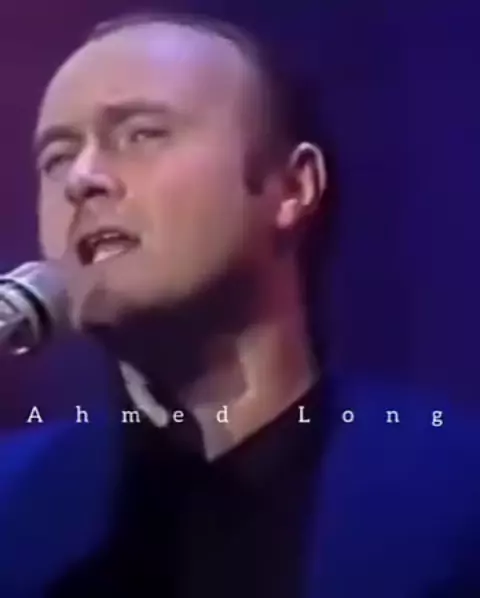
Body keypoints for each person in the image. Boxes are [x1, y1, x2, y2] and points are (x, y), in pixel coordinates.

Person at [3, 10, 480, 598]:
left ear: (294, 187)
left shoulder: (456, 501)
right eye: (56, 157)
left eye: (142, 134)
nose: (82, 177)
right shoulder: (13, 511)